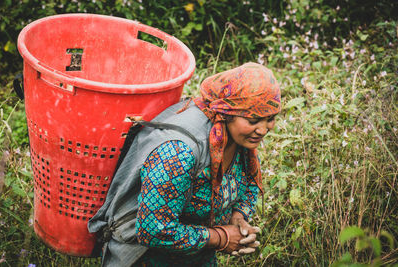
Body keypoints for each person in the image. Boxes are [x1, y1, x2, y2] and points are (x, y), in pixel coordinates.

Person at [88, 62, 281, 267]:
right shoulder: (178, 153)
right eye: (254, 120)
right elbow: (154, 230)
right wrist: (221, 238)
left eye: (270, 119)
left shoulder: (241, 141)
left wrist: (238, 217)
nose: (263, 129)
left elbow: (248, 185)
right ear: (227, 112)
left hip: (195, 255)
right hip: (143, 257)